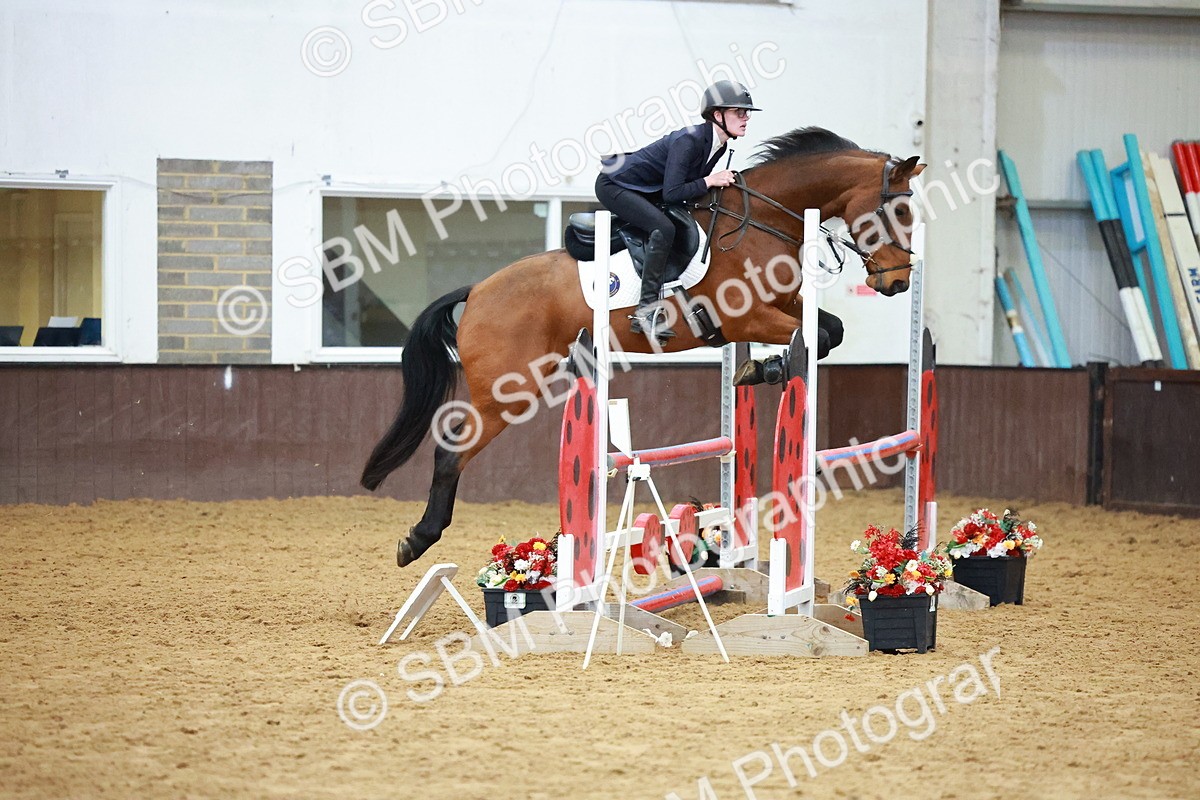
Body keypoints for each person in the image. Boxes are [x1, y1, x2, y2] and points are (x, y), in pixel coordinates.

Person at [596, 80, 761, 341]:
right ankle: (645, 312)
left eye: (747, 113)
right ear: (717, 115)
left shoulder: (718, 146)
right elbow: (673, 192)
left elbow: (687, 190)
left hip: (646, 190)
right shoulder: (689, 140)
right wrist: (710, 180)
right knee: (663, 227)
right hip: (615, 185)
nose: (746, 118)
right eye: (739, 112)